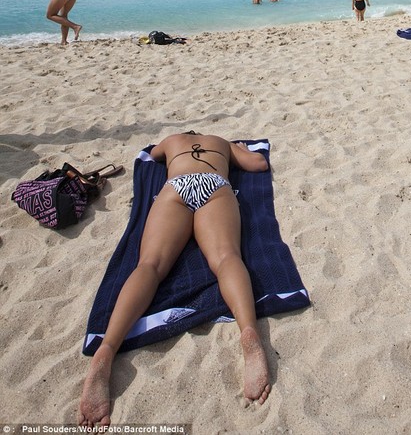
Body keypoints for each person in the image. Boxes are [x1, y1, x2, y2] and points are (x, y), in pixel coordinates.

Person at [78, 132, 271, 429]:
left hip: (176, 187)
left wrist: (168, 151)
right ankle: (249, 333)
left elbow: (152, 155)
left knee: (150, 266)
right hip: (215, 184)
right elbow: (258, 164)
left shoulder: (171, 141)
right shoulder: (221, 142)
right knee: (226, 259)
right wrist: (239, 149)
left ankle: (106, 350)